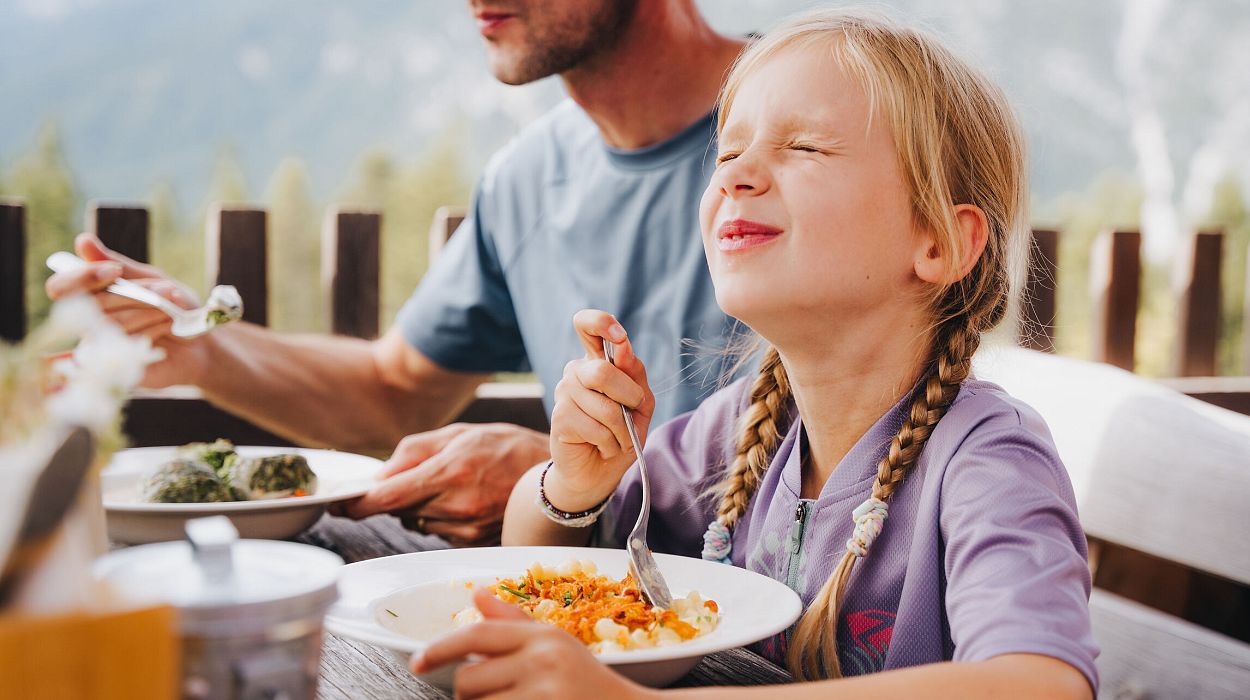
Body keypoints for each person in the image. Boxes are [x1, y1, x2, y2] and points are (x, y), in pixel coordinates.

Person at [410, 9, 1098, 698]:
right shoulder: (738, 431)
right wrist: (570, 489)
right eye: (728, 152)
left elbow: (1040, 684)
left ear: (939, 242)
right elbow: (545, 565)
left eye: (804, 147)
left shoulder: (987, 460)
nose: (738, 176)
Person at [44, 0, 747, 544]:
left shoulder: (822, 126)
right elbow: (395, 391)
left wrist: (564, 484)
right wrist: (202, 345)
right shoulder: (525, 179)